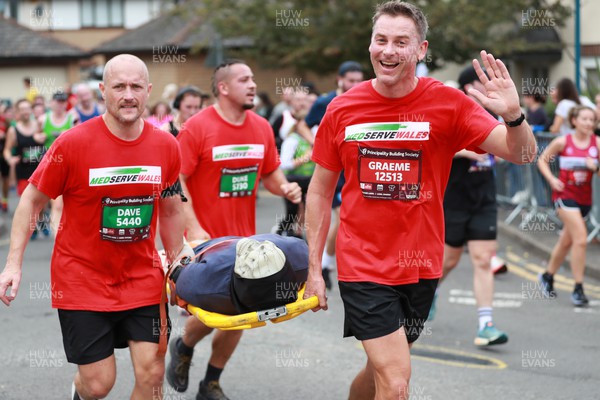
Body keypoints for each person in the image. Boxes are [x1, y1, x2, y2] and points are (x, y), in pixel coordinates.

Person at [303, 2, 536, 399]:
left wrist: (514, 116)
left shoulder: (448, 103)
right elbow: (321, 190)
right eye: (381, 40)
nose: (388, 51)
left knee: (382, 371)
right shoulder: (341, 110)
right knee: (396, 384)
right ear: (371, 45)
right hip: (363, 265)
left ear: (421, 49)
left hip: (421, 266)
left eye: (401, 42)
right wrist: (314, 269)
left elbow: (524, 154)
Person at [0, 54, 189, 400]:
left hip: (142, 277)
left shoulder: (166, 146)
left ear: (148, 91)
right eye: (119, 86)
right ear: (103, 91)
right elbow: (31, 200)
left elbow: (172, 209)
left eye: (135, 87)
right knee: (99, 385)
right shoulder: (72, 144)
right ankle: (79, 390)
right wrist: (13, 262)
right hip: (82, 279)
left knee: (153, 373)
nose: (128, 95)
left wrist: (177, 266)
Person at [166, 59, 302, 400]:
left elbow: (269, 172)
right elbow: (176, 179)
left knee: (246, 308)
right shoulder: (197, 128)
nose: (253, 84)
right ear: (223, 88)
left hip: (245, 239)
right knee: (219, 309)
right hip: (205, 240)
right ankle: (183, 345)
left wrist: (285, 188)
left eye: (253, 78)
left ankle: (210, 381)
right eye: (244, 80)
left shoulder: (260, 127)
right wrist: (193, 229)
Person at [427, 66, 509, 347]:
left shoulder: (492, 116)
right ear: (466, 88)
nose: (487, 88)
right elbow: (440, 147)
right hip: (455, 199)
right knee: (448, 261)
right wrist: (471, 149)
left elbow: (508, 150)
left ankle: (486, 325)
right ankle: (430, 293)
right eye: (480, 83)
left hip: (484, 197)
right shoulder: (452, 114)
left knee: (483, 260)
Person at [299, 60, 364, 289]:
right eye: (351, 80)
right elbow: (303, 125)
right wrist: (318, 145)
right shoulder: (325, 102)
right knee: (340, 212)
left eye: (359, 80)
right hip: (331, 169)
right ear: (340, 80)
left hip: (354, 166)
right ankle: (324, 262)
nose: (355, 84)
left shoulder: (362, 101)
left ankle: (328, 261)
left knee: (347, 215)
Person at [537, 105, 599, 306]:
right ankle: (578, 288)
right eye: (585, 119)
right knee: (580, 239)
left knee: (566, 242)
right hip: (564, 196)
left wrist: (595, 167)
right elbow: (542, 160)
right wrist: (552, 180)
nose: (589, 123)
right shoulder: (563, 141)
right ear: (574, 121)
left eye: (592, 120)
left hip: (584, 200)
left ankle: (547, 276)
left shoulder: (597, 143)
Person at [168, 234, 308, 315]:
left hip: (206, 254)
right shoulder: (299, 256)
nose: (262, 245)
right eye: (263, 248)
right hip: (226, 245)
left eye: (251, 256)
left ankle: (184, 347)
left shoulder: (207, 286)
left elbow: (176, 272)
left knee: (182, 249)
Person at [3, 99, 48, 238]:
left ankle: (41, 220)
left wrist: (44, 137)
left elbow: (48, 142)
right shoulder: (13, 130)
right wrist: (10, 158)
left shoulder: (39, 124)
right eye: (22, 109)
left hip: (40, 169)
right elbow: (7, 150)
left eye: (28, 108)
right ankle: (33, 227)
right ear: (18, 112)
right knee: (28, 202)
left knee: (40, 201)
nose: (26, 111)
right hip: (23, 172)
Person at [39, 91, 77, 236]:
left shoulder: (72, 118)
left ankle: (60, 236)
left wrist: (67, 133)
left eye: (63, 102)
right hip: (48, 162)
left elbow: (79, 136)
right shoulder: (43, 119)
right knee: (48, 200)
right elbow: (35, 136)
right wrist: (41, 136)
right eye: (58, 102)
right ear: (52, 103)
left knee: (60, 203)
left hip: (68, 162)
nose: (60, 105)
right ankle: (44, 222)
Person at [277, 91, 315, 238]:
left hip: (308, 179)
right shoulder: (292, 140)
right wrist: (305, 158)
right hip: (293, 180)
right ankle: (280, 233)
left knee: (306, 208)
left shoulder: (311, 138)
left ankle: (298, 234)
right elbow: (284, 164)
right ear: (299, 125)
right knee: (292, 212)